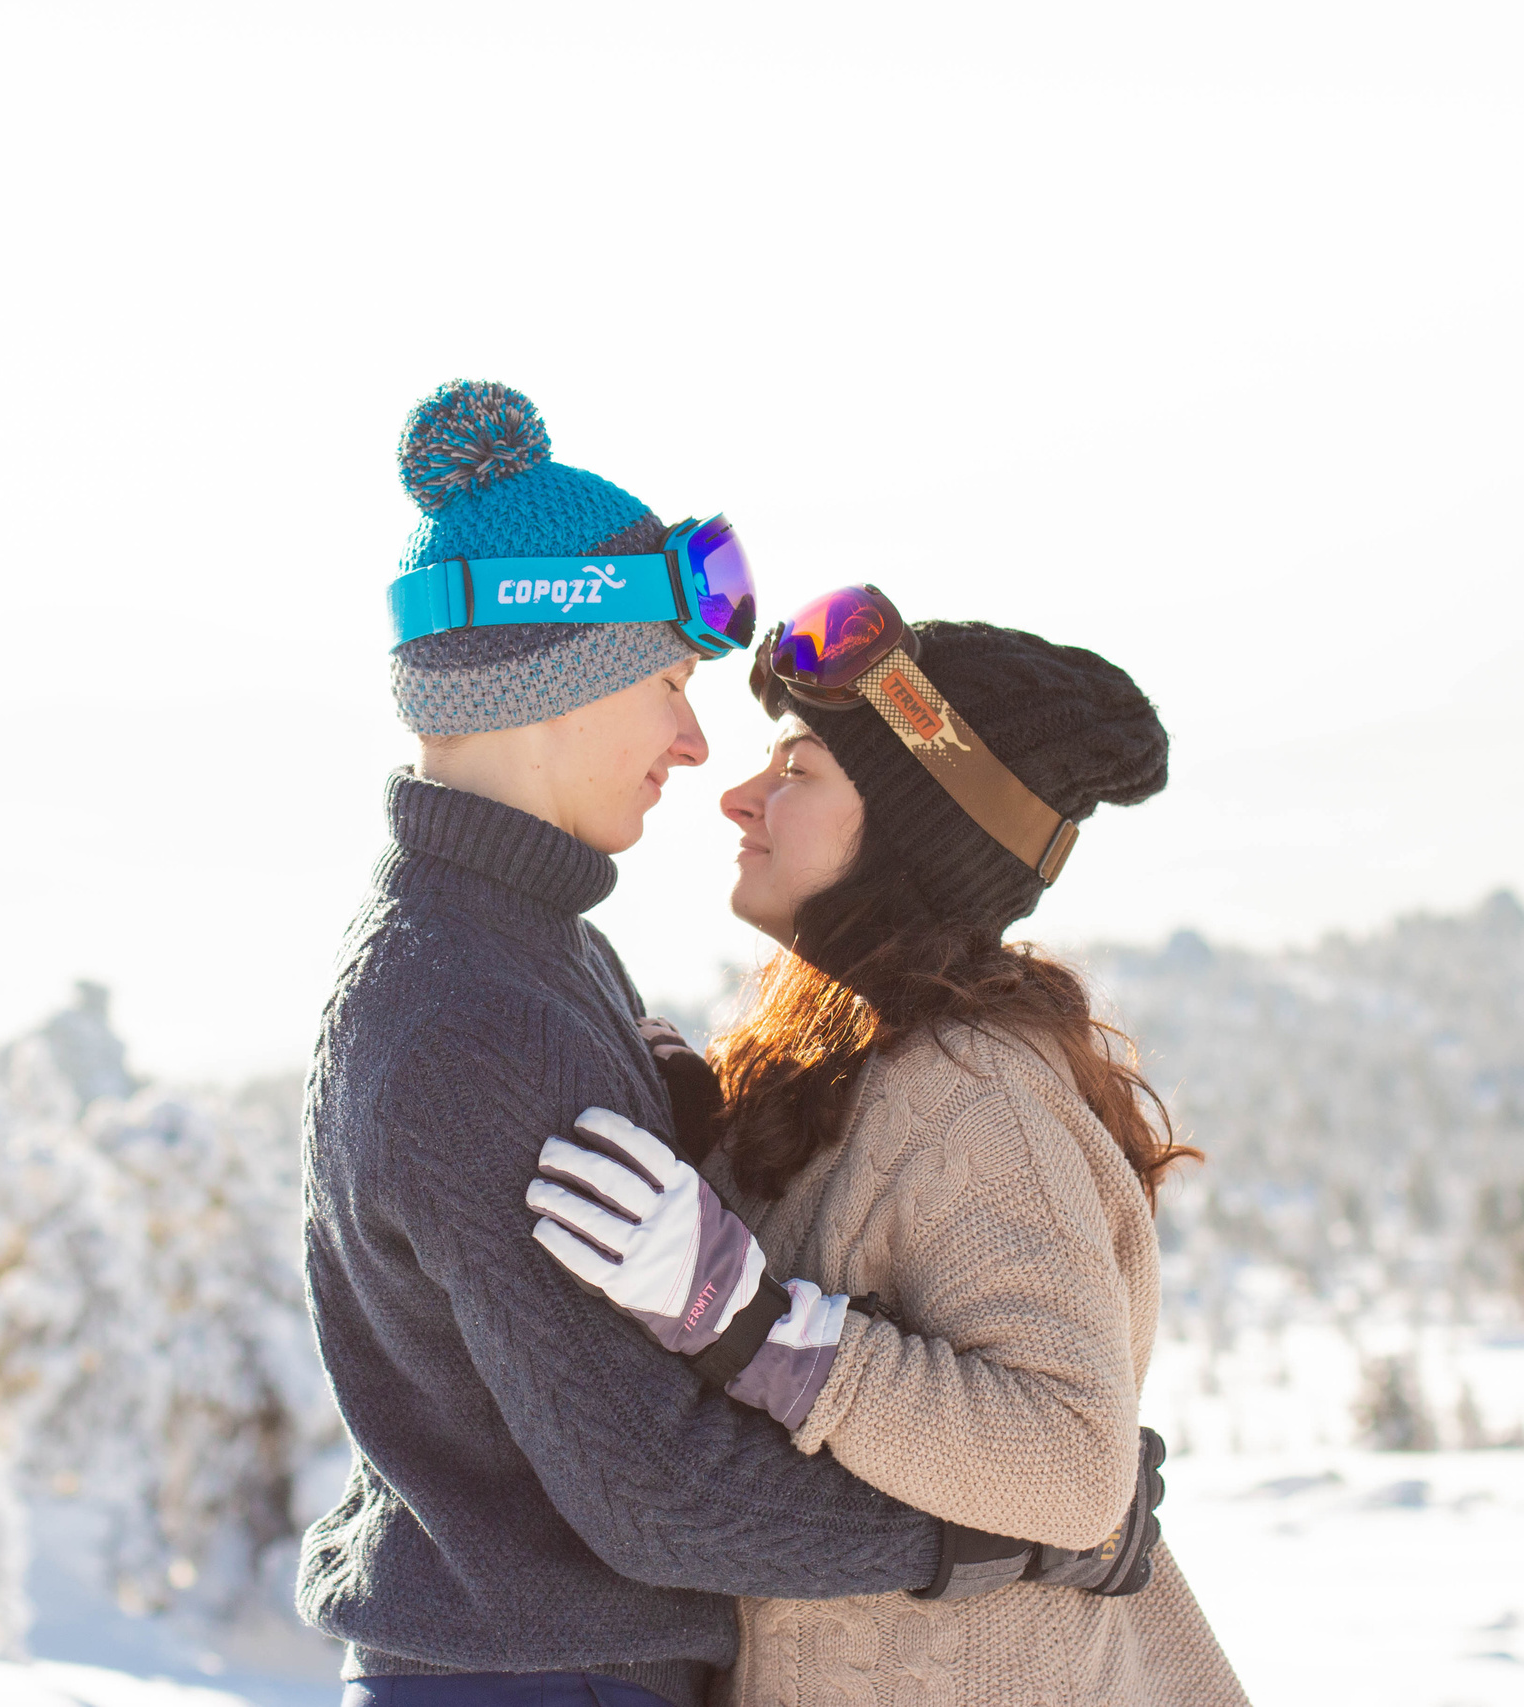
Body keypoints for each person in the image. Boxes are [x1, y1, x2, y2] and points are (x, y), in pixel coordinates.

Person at [297, 385, 1160, 1707]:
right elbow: (656, 1483)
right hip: (541, 1680)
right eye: (668, 683)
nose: (704, 753)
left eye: (798, 765)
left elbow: (1047, 1434)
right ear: (555, 681)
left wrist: (710, 1179)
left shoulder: (529, 955)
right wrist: (1011, 1538)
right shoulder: (481, 1005)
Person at [526, 584, 1249, 1705]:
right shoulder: (851, 1058)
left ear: (917, 837)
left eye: (799, 770)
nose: (737, 795)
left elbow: (1069, 1465)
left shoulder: (976, 1099)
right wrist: (696, 1123)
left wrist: (751, 1322)